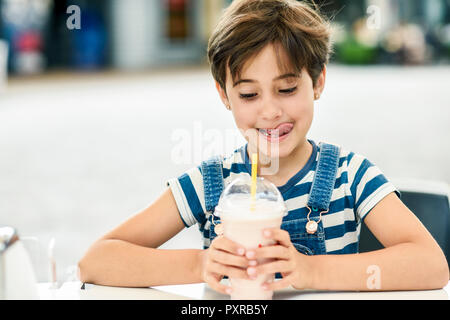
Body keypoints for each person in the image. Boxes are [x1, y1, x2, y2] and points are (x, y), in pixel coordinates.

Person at [78, 0, 448, 294]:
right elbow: (96, 260)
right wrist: (198, 264)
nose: (270, 111)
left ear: (318, 82)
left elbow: (431, 266)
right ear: (225, 95)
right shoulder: (212, 183)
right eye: (249, 94)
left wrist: (309, 270)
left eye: (287, 89)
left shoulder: (350, 176)